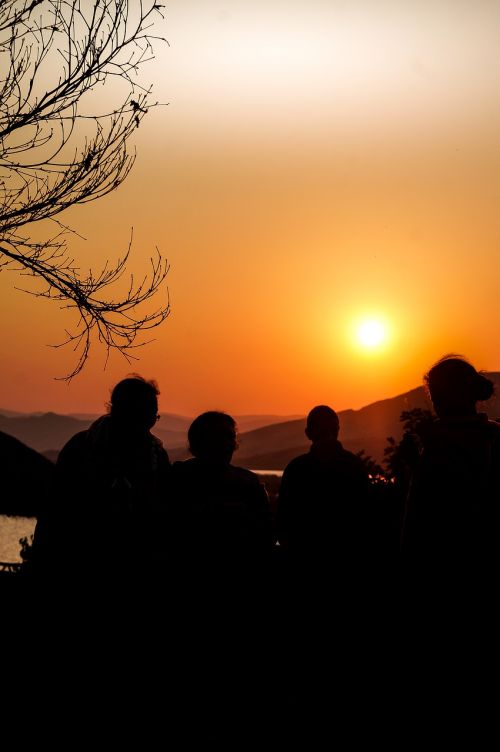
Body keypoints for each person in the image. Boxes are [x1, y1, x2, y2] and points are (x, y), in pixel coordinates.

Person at [30, 374, 171, 598]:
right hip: (80, 566)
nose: (148, 424)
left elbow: (161, 513)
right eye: (144, 416)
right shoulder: (81, 448)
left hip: (138, 569)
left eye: (153, 417)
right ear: (119, 411)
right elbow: (55, 511)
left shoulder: (156, 454)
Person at [401, 355, 500, 586]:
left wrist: (418, 465)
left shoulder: (439, 443)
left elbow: (440, 510)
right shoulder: (493, 434)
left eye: (435, 395)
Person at [277, 404, 371, 574]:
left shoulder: (353, 466)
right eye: (323, 430)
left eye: (331, 430)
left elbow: (365, 515)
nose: (328, 435)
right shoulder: (297, 469)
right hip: (307, 559)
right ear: (309, 433)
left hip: (345, 558)